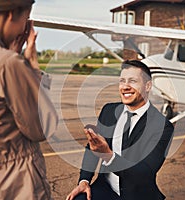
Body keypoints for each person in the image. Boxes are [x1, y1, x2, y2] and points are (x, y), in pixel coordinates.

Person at [0, 0, 58, 199]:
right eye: (26, 18)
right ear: (12, 14)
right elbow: (43, 127)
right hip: (11, 185)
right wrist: (31, 66)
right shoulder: (5, 63)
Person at [66, 60, 174, 200]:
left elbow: (146, 172)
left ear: (147, 86)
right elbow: (93, 148)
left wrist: (109, 157)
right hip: (105, 188)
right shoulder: (109, 111)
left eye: (133, 81)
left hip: (138, 195)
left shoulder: (162, 126)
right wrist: (84, 180)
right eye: (122, 81)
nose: (125, 86)